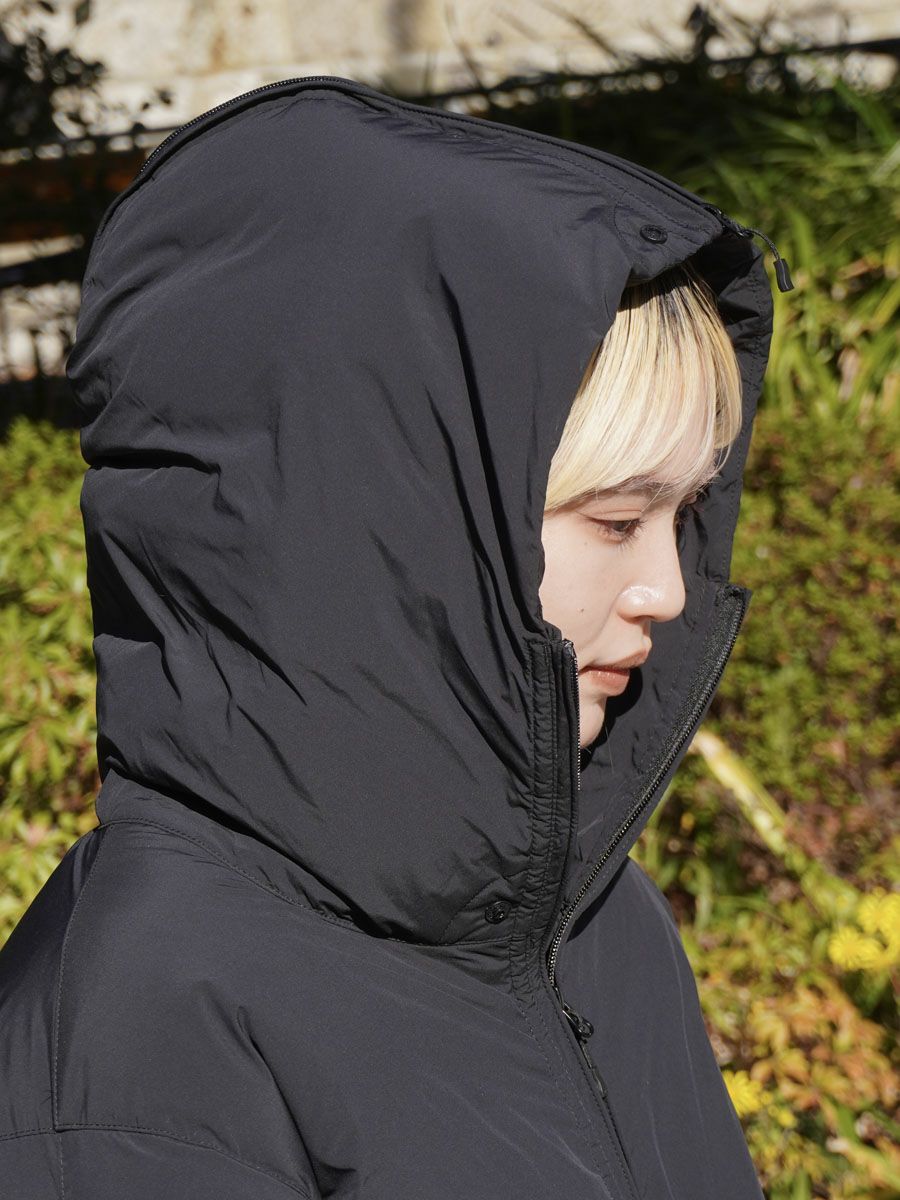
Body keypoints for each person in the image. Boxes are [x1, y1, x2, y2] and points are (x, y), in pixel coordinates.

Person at [0, 76, 786, 1199]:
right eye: (616, 520)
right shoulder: (143, 1049)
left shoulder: (601, 927)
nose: (667, 587)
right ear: (393, 523)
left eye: (685, 514)